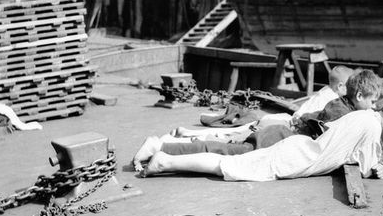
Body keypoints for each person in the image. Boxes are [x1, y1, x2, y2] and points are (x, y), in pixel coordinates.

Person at [139, 96, 383, 181]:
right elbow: (370, 168)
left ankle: (166, 157)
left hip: (297, 149)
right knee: (226, 166)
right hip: (294, 160)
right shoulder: (372, 129)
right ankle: (163, 161)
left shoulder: (364, 116)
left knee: (229, 162)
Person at [132, 65, 355, 172]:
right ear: (342, 87)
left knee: (227, 141)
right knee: (225, 148)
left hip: (280, 128)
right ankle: (163, 149)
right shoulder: (335, 104)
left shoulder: (326, 96)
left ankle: (169, 144)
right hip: (279, 133)